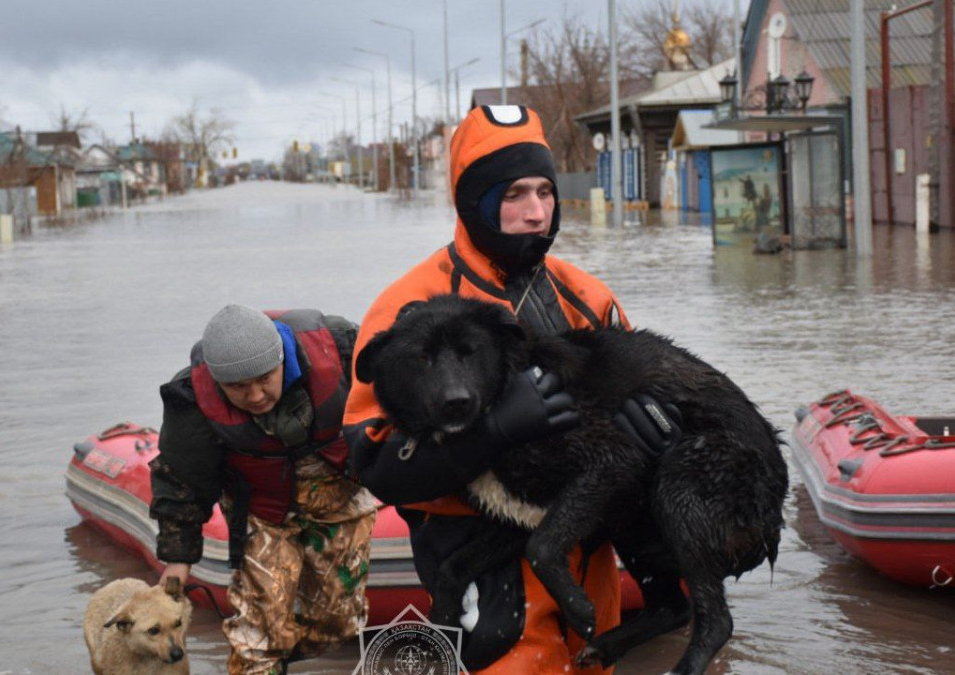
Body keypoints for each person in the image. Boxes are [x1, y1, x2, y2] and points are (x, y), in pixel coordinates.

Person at [344, 105, 680, 674]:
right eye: (514, 194)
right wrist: (491, 433)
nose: (536, 212)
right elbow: (371, 458)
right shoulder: (410, 308)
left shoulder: (586, 295)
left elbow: (648, 383)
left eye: (545, 193)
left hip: (586, 546)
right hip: (480, 555)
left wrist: (662, 432)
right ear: (475, 201)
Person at [151, 304, 376, 675]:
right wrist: (179, 556)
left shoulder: (340, 346)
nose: (255, 396)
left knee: (338, 624)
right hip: (260, 510)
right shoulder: (192, 399)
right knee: (259, 634)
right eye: (238, 387)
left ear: (282, 361)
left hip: (339, 495)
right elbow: (181, 480)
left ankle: (285, 654)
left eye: (264, 379)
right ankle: (264, 660)